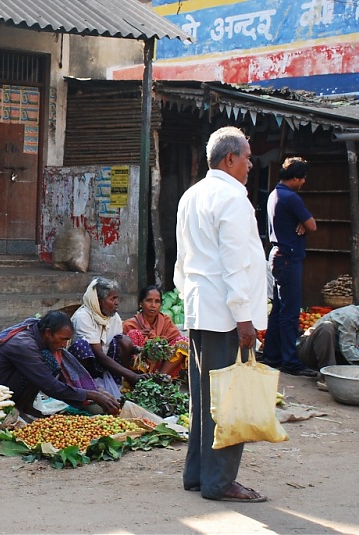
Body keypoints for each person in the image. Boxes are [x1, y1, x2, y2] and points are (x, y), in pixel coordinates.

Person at [174, 126, 268, 503]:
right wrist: (244, 317)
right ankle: (220, 482)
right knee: (228, 400)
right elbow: (235, 263)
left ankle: (198, 475)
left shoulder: (192, 195)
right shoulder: (231, 198)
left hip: (202, 310)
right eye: (247, 157)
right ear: (229, 159)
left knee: (205, 399)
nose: (250, 164)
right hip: (227, 315)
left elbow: (183, 261)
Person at [0, 311, 120, 417]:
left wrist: (95, 390)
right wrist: (91, 395)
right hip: (1, 393)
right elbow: (49, 385)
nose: (64, 345)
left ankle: (27, 407)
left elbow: (60, 378)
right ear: (48, 333)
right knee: (43, 364)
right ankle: (18, 408)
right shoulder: (24, 345)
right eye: (63, 339)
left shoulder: (38, 335)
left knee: (48, 360)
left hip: (16, 382)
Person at [261, 157, 318, 377]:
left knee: (278, 309)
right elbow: (312, 225)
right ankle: (290, 361)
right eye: (302, 178)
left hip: (276, 255)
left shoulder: (274, 194)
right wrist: (303, 224)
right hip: (288, 258)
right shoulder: (291, 197)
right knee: (290, 312)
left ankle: (272, 355)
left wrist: (300, 224)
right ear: (295, 178)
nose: (303, 182)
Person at [68, 277, 148, 398]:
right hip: (87, 365)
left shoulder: (113, 317)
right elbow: (99, 356)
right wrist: (132, 376)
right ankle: (87, 385)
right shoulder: (83, 317)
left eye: (117, 298)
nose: (117, 302)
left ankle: (116, 384)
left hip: (105, 362)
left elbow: (119, 343)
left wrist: (135, 349)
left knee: (125, 341)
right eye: (112, 299)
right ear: (99, 301)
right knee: (81, 346)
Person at [122, 285, 190, 380]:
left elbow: (175, 340)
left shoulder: (166, 321)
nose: (153, 305)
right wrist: (141, 336)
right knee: (133, 334)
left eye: (157, 301)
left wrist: (160, 341)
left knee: (183, 341)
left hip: (161, 365)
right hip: (138, 371)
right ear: (141, 303)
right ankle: (141, 379)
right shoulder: (129, 324)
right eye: (149, 300)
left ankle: (160, 377)